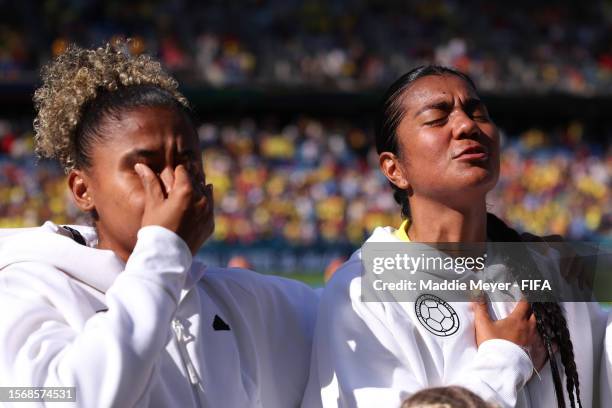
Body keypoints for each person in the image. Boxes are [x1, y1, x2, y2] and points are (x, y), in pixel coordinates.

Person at [0, 41, 318, 407]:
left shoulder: (232, 299)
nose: (176, 183)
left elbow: (355, 306)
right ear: (83, 189)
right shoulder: (25, 287)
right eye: (146, 166)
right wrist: (163, 250)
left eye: (188, 162)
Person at [302, 66, 607, 408]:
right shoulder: (363, 292)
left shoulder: (549, 271)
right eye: (437, 118)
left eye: (477, 112)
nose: (467, 125)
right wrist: (505, 359)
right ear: (394, 169)